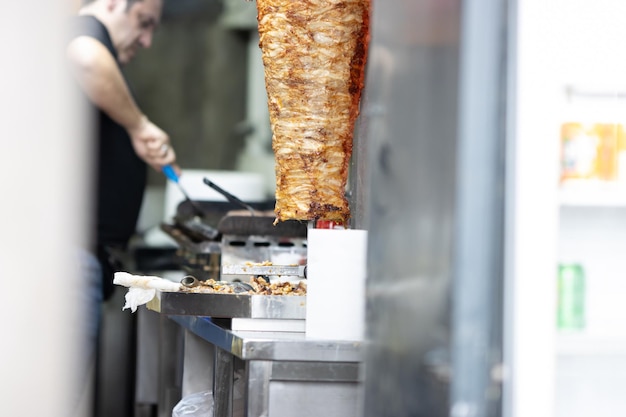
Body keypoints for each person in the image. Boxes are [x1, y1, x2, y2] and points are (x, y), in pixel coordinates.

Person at [66, 0, 178, 412]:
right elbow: (84, 57)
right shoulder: (85, 34)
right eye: (143, 23)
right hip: (69, 260)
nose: (147, 40)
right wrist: (139, 125)